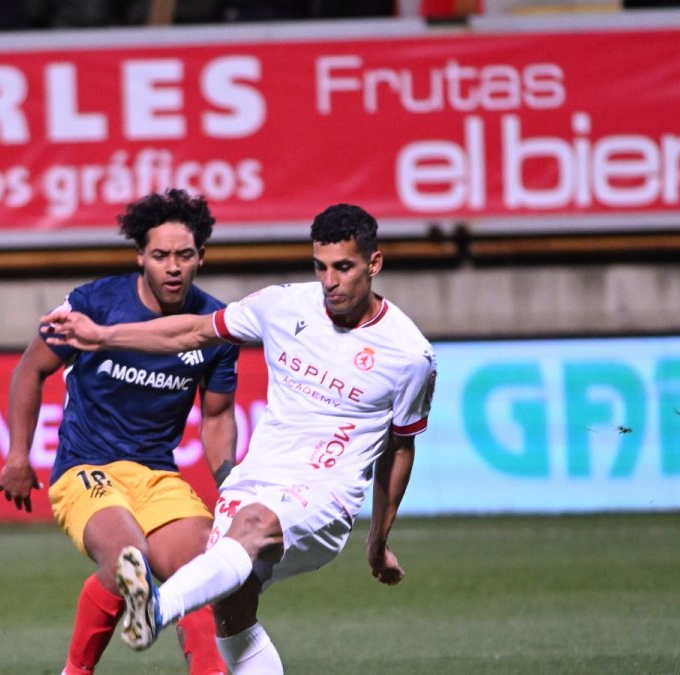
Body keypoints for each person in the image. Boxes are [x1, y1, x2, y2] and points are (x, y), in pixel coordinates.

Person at [41, 203, 436, 673]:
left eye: (344, 267)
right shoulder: (282, 306)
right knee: (232, 608)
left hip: (325, 495)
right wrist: (104, 335)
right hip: (255, 481)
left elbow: (400, 446)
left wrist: (377, 538)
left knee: (252, 527)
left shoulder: (410, 356)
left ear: (374, 264)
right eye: (321, 266)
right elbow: (189, 331)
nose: (330, 281)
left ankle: (157, 609)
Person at [0, 189, 239, 675]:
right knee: (130, 559)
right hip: (87, 469)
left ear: (201, 257)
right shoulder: (95, 304)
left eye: (184, 256)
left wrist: (232, 486)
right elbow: (30, 370)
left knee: (207, 575)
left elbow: (215, 418)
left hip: (157, 476)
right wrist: (18, 456)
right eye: (161, 255)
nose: (173, 267)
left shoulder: (215, 327)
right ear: (140, 257)